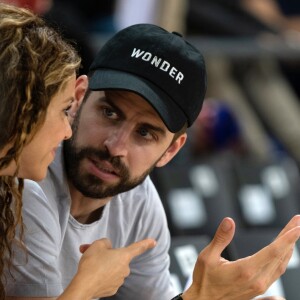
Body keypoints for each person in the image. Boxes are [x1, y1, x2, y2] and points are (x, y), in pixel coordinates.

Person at [5, 23, 300, 300]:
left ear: (171, 151)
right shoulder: (26, 180)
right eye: (109, 113)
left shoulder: (141, 202)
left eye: (145, 133)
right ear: (79, 97)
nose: (115, 146)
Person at [0, 4, 155, 300]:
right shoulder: (27, 194)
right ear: (21, 112)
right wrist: (87, 287)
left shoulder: (11, 190)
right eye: (62, 111)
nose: (67, 132)